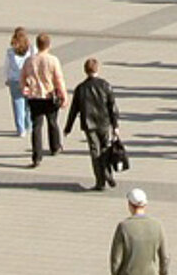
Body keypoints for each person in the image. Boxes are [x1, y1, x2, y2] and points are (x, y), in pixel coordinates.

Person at [65, 56, 122, 190]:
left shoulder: (81, 88)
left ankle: (100, 181)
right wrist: (115, 126)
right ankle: (108, 173)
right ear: (98, 69)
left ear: (85, 70)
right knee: (106, 149)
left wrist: (68, 127)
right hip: (104, 123)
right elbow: (112, 107)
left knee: (94, 151)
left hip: (89, 125)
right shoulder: (105, 85)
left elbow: (74, 110)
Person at [20, 31, 68, 165]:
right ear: (48, 45)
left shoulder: (29, 60)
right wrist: (64, 96)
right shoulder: (53, 60)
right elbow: (59, 79)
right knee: (52, 121)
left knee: (37, 126)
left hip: (34, 96)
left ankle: (37, 156)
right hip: (49, 96)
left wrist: (25, 88)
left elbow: (22, 78)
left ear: (37, 45)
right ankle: (55, 146)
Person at [109, 187, 170, 275]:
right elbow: (164, 257)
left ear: (129, 205)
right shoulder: (157, 225)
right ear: (145, 205)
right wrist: (162, 274)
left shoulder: (124, 227)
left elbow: (116, 260)